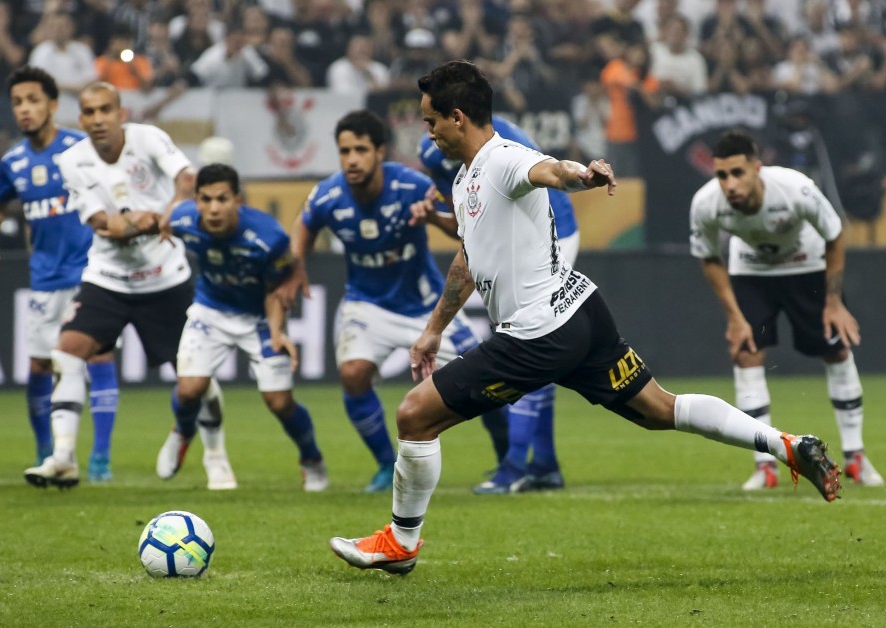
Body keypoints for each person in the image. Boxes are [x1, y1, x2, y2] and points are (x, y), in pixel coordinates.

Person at [329, 60, 840, 576]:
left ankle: (400, 542)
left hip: (538, 334)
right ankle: (787, 445)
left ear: (457, 117)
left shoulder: (502, 157)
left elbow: (549, 170)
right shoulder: (464, 182)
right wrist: (433, 331)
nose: (428, 131)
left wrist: (583, 174)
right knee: (661, 409)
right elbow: (468, 259)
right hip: (580, 312)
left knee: (415, 416)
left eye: (430, 120)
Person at [276, 109, 508, 493]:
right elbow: (305, 222)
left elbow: (465, 227)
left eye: (361, 150)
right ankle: (387, 465)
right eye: (345, 151)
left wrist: (433, 218)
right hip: (367, 305)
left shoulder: (413, 185)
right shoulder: (329, 193)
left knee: (486, 384)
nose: (352, 159)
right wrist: (297, 265)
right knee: (352, 374)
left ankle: (507, 464)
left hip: (426, 306)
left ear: (380, 151)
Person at [23, 81, 227, 489]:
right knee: (67, 351)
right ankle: (63, 457)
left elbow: (187, 181)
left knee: (195, 375)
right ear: (80, 119)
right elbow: (106, 225)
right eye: (89, 112)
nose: (97, 119)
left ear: (121, 113)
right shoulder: (72, 161)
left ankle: (216, 456)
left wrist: (167, 213)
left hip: (166, 278)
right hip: (108, 278)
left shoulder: (148, 139)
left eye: (105, 110)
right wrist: (143, 221)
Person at [690, 129, 883, 490]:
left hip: (805, 267)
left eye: (737, 173)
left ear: (757, 169)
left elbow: (835, 233)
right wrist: (734, 317)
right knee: (746, 355)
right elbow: (709, 257)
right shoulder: (705, 204)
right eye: (721, 175)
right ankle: (765, 466)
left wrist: (834, 302)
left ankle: (856, 457)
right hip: (751, 272)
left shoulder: (796, 188)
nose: (729, 184)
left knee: (837, 349)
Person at [417, 114, 579, 494]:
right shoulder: (432, 154)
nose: (429, 129)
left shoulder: (503, 137)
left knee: (528, 340)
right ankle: (543, 464)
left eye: (433, 116)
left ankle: (514, 465)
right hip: (501, 240)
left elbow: (545, 177)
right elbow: (465, 225)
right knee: (533, 346)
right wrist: (433, 219)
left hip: (549, 229)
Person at [0, 66, 120, 482]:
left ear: (53, 105)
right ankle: (48, 452)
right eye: (18, 102)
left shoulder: (80, 148)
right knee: (40, 367)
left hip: (91, 273)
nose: (25, 109)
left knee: (99, 355)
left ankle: (101, 458)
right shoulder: (14, 162)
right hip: (44, 278)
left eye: (34, 100)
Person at [159, 163, 328, 491]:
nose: (213, 208)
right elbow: (167, 217)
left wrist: (277, 332)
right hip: (210, 311)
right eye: (205, 199)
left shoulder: (270, 238)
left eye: (222, 199)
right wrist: (162, 225)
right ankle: (182, 431)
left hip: (259, 319)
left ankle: (311, 458)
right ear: (196, 200)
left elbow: (275, 291)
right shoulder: (184, 219)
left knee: (279, 401)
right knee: (189, 388)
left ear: (238, 200)